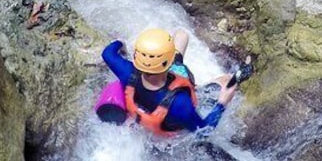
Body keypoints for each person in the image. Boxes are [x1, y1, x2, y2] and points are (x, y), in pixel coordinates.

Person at [101, 28, 237, 135]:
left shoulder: (126, 71)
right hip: (171, 130)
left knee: (181, 36)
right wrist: (222, 103)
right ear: (169, 62)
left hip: (146, 120)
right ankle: (213, 83)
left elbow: (108, 53)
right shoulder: (180, 103)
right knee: (226, 80)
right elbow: (204, 131)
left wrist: (121, 44)